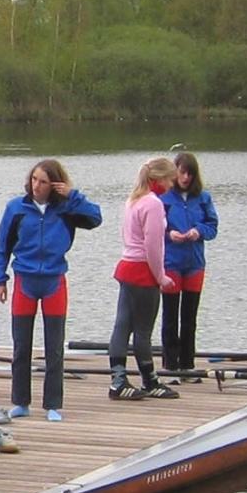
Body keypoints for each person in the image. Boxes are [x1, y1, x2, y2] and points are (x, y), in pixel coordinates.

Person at [0, 159, 102, 424]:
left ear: (55, 186)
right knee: (21, 346)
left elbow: (96, 218)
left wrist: (72, 195)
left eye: (43, 182)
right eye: (34, 179)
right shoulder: (16, 208)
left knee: (54, 348)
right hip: (24, 281)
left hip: (54, 282)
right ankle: (20, 402)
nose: (36, 185)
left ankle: (52, 404)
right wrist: (0, 279)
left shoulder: (66, 208)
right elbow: (2, 246)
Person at [107, 156, 182, 401]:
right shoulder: (153, 203)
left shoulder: (133, 200)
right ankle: (149, 379)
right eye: (170, 180)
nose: (172, 185)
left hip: (127, 266)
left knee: (122, 325)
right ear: (158, 179)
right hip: (142, 271)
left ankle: (118, 379)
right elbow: (153, 245)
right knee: (143, 329)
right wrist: (161, 276)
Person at [161, 150, 219, 378]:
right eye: (182, 173)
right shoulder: (163, 199)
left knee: (189, 317)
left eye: (189, 174)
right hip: (171, 263)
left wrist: (198, 231)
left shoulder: (203, 198)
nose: (185, 178)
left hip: (194, 263)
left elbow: (212, 227)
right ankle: (169, 365)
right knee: (170, 315)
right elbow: (155, 228)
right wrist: (170, 234)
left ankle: (187, 365)